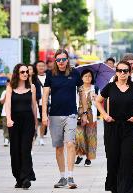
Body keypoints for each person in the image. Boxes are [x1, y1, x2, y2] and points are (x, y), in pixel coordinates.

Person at [96, 61, 133, 193]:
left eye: (125, 71)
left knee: (127, 160)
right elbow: (98, 101)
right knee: (113, 159)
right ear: (116, 72)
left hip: (130, 128)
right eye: (120, 70)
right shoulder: (110, 87)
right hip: (112, 128)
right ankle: (115, 189)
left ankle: (127, 190)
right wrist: (104, 115)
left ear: (129, 72)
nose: (122, 73)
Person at [42, 49, 82, 189]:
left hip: (71, 114)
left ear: (67, 59)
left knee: (70, 144)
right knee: (59, 147)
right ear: (55, 61)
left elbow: (81, 91)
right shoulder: (50, 74)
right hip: (54, 115)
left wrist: (82, 111)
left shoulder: (74, 73)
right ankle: (62, 177)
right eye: (58, 60)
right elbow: (45, 96)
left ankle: (71, 176)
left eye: (63, 59)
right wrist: (44, 115)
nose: (61, 62)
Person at [5, 63, 37, 189]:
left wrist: (35, 123)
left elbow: (33, 106)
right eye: (22, 72)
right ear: (17, 74)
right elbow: (7, 104)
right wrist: (8, 119)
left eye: (26, 72)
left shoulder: (32, 87)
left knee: (25, 149)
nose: (25, 74)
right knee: (15, 150)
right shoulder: (10, 87)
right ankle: (18, 177)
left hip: (28, 120)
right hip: (14, 121)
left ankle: (26, 177)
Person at [75, 69, 99, 167]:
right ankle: (80, 154)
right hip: (79, 113)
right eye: (85, 76)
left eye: (89, 76)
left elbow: (99, 102)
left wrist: (96, 98)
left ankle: (88, 158)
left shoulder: (95, 88)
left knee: (90, 136)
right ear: (81, 78)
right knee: (79, 136)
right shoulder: (77, 88)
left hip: (91, 114)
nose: (88, 78)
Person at [35, 60, 48, 145]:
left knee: (44, 121)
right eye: (39, 66)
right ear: (36, 67)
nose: (41, 67)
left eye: (42, 66)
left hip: (46, 102)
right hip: (36, 102)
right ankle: (34, 135)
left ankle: (41, 137)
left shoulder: (49, 77)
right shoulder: (34, 78)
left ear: (45, 67)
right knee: (35, 121)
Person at [0, 79, 10, 146]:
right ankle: (6, 139)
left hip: (14, 113)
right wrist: (6, 95)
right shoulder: (4, 92)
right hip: (5, 113)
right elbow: (1, 102)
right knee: (5, 127)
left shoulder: (16, 91)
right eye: (7, 83)